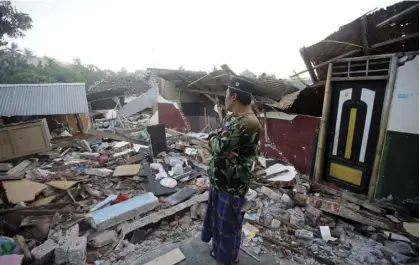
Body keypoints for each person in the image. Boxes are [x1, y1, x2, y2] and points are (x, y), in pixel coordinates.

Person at [201, 76, 261, 265]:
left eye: (226, 94)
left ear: (233, 96)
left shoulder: (248, 122)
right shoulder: (232, 117)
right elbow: (218, 139)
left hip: (232, 184)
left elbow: (218, 146)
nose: (224, 98)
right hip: (220, 179)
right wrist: (218, 143)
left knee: (228, 225)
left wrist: (216, 143)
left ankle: (227, 259)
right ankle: (219, 253)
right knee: (217, 222)